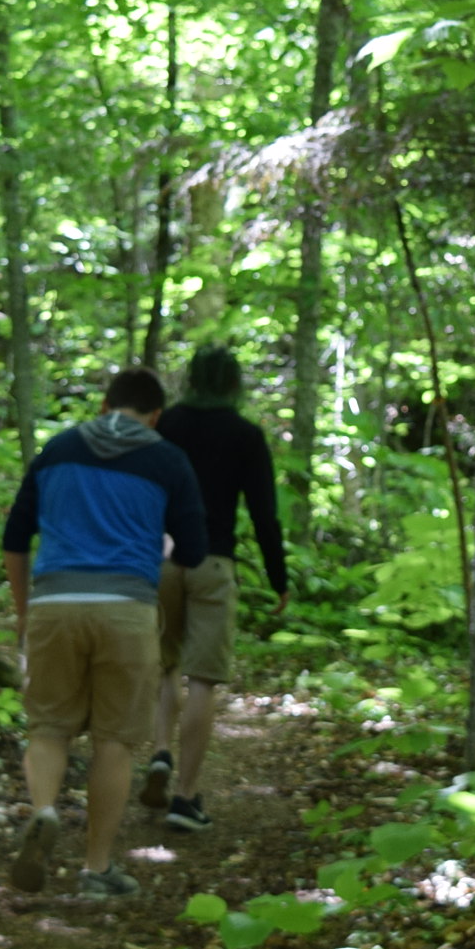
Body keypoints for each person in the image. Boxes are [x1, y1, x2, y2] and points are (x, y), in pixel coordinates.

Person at [0, 366, 207, 898]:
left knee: (48, 726)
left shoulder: (58, 450)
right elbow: (193, 551)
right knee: (114, 741)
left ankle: (45, 810)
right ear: (156, 415)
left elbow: (15, 537)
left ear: (103, 404)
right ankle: (96, 869)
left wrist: (26, 611)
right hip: (127, 609)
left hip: (54, 603)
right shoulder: (169, 459)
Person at [139, 342, 288, 831]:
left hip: (161, 558)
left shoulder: (166, 425)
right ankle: (185, 797)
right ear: (234, 385)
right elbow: (265, 514)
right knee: (202, 678)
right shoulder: (246, 435)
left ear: (191, 379)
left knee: (166, 663)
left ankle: (160, 751)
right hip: (213, 561)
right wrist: (278, 577)